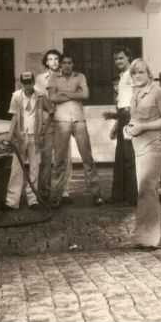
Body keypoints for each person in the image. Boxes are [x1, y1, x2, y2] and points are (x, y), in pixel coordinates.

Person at [125, 59, 161, 250]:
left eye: (141, 73)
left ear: (149, 74)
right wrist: (128, 129)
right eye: (134, 73)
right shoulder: (136, 94)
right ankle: (146, 237)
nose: (137, 76)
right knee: (144, 192)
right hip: (140, 147)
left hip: (155, 147)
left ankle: (152, 239)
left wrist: (144, 127)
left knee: (148, 189)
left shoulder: (158, 92)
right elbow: (135, 120)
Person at [48, 53, 103, 208]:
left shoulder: (80, 76)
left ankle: (96, 194)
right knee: (59, 160)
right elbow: (52, 97)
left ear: (73, 64)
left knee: (87, 157)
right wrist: (74, 96)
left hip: (79, 119)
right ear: (61, 64)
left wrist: (65, 94)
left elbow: (85, 94)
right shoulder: (54, 78)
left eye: (70, 62)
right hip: (61, 121)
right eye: (64, 62)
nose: (67, 65)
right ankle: (56, 197)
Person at [3, 71, 52, 211]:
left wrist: (44, 130)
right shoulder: (16, 96)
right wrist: (9, 136)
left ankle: (33, 200)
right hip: (20, 136)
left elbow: (51, 111)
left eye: (30, 82)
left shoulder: (41, 96)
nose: (27, 85)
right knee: (16, 169)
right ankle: (11, 202)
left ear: (33, 82)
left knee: (34, 168)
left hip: (35, 137)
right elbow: (13, 118)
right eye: (25, 83)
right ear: (21, 83)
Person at [35, 49, 72, 204]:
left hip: (63, 120)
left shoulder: (67, 76)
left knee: (64, 157)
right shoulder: (40, 79)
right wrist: (51, 109)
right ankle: (44, 191)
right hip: (48, 120)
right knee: (46, 157)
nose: (54, 62)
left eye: (56, 59)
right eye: (50, 59)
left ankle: (64, 191)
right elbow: (41, 98)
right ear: (46, 62)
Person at [104, 46, 138, 205]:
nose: (118, 61)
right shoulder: (123, 76)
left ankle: (132, 197)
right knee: (120, 157)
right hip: (123, 116)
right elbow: (121, 103)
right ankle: (119, 196)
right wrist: (116, 122)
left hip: (130, 116)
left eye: (121, 58)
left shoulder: (133, 74)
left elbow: (137, 97)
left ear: (128, 58)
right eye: (116, 59)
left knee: (129, 157)